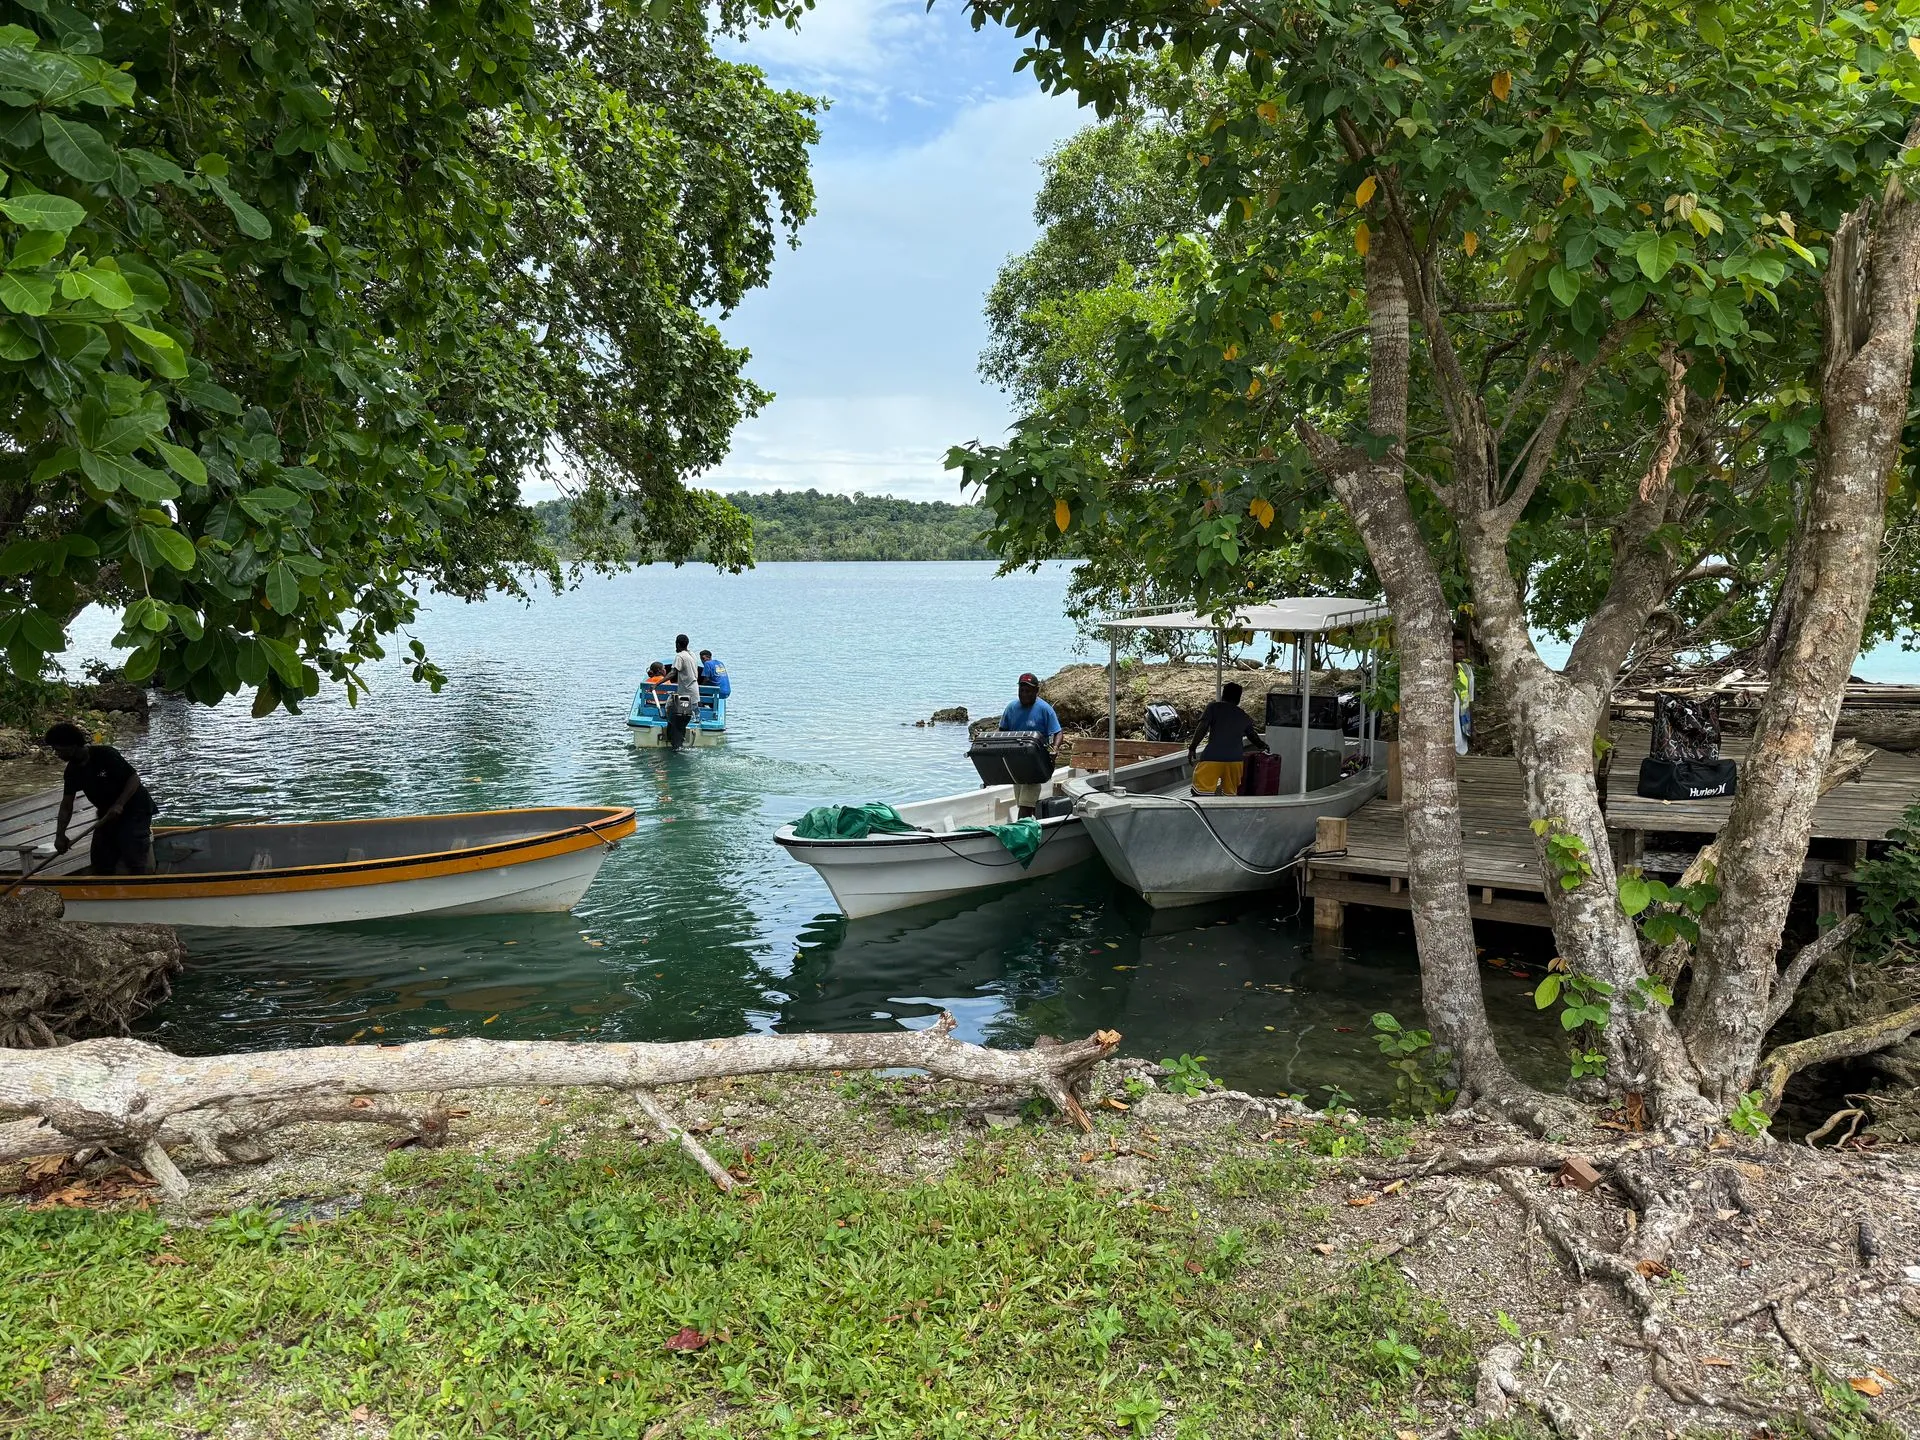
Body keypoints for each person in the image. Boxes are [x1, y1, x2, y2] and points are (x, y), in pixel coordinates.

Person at [43, 722, 156, 875]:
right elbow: (66, 805)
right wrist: (60, 835)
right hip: (106, 816)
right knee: (100, 857)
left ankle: (141, 885)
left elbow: (134, 779)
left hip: (134, 810)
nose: (57, 754)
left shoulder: (106, 754)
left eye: (58, 749)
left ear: (72, 745)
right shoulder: (72, 771)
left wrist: (119, 804)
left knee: (132, 850)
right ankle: (105, 889)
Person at [998, 671, 1062, 818]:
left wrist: (1055, 748)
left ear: (1036, 691)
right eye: (1021, 690)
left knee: (1025, 806)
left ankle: (1020, 832)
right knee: (1023, 802)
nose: (1024, 694)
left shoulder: (1045, 709)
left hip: (1036, 766)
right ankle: (1036, 824)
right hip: (1017, 765)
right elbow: (1002, 731)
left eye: (1028, 691)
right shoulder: (1011, 708)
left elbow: (1058, 732)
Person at [1188, 683, 1267, 795]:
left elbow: (1202, 728)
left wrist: (1192, 747)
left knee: (1201, 794)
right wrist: (1264, 746)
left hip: (1212, 758)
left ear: (1222, 695)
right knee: (1230, 795)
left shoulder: (1213, 707)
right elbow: (1253, 736)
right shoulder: (1243, 715)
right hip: (1235, 762)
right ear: (1239, 699)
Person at [665, 633, 700, 749]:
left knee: (677, 716)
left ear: (678, 644)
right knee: (692, 714)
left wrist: (656, 684)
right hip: (694, 691)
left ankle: (677, 740)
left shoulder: (680, 656)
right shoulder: (692, 654)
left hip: (685, 693)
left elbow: (673, 673)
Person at [1452, 633, 1475, 756]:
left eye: (1463, 648)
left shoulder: (1466, 670)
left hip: (1462, 724)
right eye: (1457, 648)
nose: (1461, 652)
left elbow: (1470, 699)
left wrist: (1472, 727)